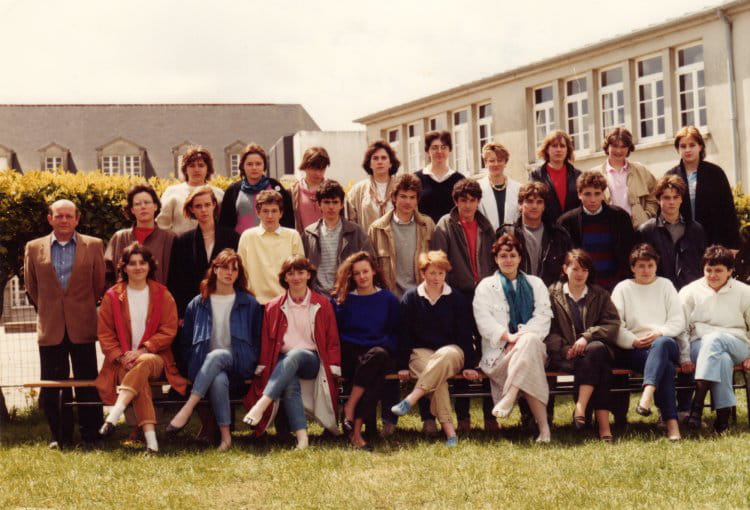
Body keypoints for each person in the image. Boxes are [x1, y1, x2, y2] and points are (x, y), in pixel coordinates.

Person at [23, 199, 106, 448]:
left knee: (87, 381)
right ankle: (60, 436)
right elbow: (32, 286)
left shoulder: (93, 245)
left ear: (77, 219)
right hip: (51, 326)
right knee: (53, 384)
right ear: (50, 219)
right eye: (59, 216)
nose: (64, 220)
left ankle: (91, 433)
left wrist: (78, 305)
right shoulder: (33, 247)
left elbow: (98, 284)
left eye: (69, 216)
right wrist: (51, 307)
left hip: (83, 323)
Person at [95, 243, 188, 453]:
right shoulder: (112, 296)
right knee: (140, 379)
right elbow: (105, 334)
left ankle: (114, 414)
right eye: (132, 263)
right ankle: (152, 442)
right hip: (122, 362)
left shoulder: (162, 294)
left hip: (155, 357)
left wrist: (143, 350)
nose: (138, 267)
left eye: (142, 263)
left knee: (143, 362)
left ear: (149, 266)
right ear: (124, 267)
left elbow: (168, 330)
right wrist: (120, 357)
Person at [166, 249, 262, 451]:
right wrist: (192, 359)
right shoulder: (197, 303)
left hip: (239, 362)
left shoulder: (249, 303)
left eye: (234, 269)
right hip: (205, 367)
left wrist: (251, 357)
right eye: (225, 268)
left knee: (218, 354)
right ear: (215, 269)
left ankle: (188, 406)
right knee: (218, 378)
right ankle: (226, 438)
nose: (230, 273)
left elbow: (257, 338)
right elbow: (186, 341)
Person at [242, 255, 341, 449]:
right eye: (291, 273)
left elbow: (332, 339)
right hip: (283, 362)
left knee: (296, 355)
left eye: (301, 273)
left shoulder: (322, 304)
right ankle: (302, 437)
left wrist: (334, 365)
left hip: (312, 360)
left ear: (308, 275)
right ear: (285, 278)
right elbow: (267, 342)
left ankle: (262, 404)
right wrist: (263, 365)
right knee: (290, 383)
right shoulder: (272, 307)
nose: (296, 277)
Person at [390, 250, 479, 447]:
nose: (436, 278)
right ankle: (450, 433)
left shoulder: (456, 298)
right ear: (423, 273)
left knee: (444, 356)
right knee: (437, 380)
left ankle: (412, 398)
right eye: (432, 273)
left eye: (440, 273)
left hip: (451, 352)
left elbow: (465, 333)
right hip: (421, 353)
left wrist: (469, 365)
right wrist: (402, 365)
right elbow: (404, 334)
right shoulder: (411, 298)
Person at [430, 178, 497, 432]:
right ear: (455, 202)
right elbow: (440, 262)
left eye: (472, 200)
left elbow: (493, 260)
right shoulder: (445, 225)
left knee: (489, 350)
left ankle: (490, 415)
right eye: (462, 200)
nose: (467, 205)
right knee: (462, 353)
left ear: (478, 201)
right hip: (457, 295)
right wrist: (449, 293)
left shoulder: (486, 226)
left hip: (485, 295)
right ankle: (463, 417)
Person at [473, 233, 553, 442]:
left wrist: (520, 338)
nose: (508, 260)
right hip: (499, 355)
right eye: (503, 256)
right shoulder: (485, 286)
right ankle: (544, 430)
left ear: (520, 258)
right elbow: (484, 321)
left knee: (529, 343)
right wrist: (508, 337)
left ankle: (510, 395)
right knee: (529, 357)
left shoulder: (536, 284)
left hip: (530, 350)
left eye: (512, 255)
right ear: (496, 259)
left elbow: (543, 316)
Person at [611, 244, 688, 440]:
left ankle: (647, 394)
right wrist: (634, 341)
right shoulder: (623, 288)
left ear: (656, 266)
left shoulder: (665, 285)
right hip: (635, 349)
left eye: (650, 265)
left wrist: (659, 332)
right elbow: (615, 324)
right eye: (641, 266)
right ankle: (672, 426)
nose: (646, 270)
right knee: (667, 368)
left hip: (665, 342)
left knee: (661, 345)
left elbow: (677, 320)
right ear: (632, 267)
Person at [546, 249, 620, 441]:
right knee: (601, 367)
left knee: (596, 350)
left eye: (585, 270)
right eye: (575, 269)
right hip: (566, 356)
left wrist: (587, 337)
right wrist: (564, 349)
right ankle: (604, 427)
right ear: (565, 269)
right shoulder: (552, 294)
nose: (580, 274)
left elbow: (612, 324)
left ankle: (581, 407)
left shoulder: (600, 294)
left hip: (594, 352)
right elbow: (547, 329)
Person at [332, 251, 400, 450]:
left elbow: (395, 333)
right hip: (351, 354)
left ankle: (350, 408)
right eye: (356, 273)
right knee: (373, 371)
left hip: (379, 352)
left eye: (365, 271)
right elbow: (336, 334)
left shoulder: (388, 299)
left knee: (377, 358)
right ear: (351, 276)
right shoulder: (342, 300)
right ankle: (357, 430)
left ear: (374, 272)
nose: (362, 277)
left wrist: (381, 345)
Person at [680, 245, 750, 434]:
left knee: (715, 340)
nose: (712, 275)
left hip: (737, 343)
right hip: (698, 345)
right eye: (708, 270)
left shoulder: (744, 292)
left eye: (718, 270)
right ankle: (722, 419)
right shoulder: (690, 291)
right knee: (722, 359)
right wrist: (684, 356)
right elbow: (681, 328)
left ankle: (697, 406)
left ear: (730, 271)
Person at [168, 186, 240, 318]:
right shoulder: (182, 241)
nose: (203, 210)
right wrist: (181, 314)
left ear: (214, 205)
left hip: (227, 307)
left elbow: (239, 275)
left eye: (207, 205)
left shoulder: (233, 238)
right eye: (198, 206)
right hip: (194, 310)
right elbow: (175, 280)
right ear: (191, 209)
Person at [558, 171, 636, 291]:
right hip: (583, 286)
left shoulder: (620, 217)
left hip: (616, 285)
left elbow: (630, 253)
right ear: (579, 194)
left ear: (603, 194)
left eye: (597, 193)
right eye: (587, 194)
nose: (593, 199)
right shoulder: (566, 222)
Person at [666, 126, 740, 249]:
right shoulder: (670, 176)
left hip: (713, 240)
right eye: (683, 146)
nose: (688, 150)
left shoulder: (716, 173)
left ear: (700, 146)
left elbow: (728, 211)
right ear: (678, 149)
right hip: (682, 243)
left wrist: (732, 246)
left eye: (692, 145)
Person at [301, 180, 375, 296]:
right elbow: (301, 267)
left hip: (347, 295)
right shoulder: (308, 234)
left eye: (335, 202)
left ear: (341, 205)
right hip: (317, 295)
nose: (331, 207)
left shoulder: (356, 232)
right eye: (326, 202)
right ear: (319, 204)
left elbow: (371, 262)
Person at [368, 173, 436, 298]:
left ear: (417, 200)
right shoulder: (377, 229)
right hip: (390, 298)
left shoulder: (428, 225)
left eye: (412, 197)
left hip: (421, 297)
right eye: (403, 196)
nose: (408, 202)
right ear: (394, 197)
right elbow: (371, 268)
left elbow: (436, 263)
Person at [638, 175, 705, 290]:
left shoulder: (695, 229)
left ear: (681, 199)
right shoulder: (646, 231)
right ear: (658, 200)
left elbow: (703, 263)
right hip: (659, 291)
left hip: (691, 291)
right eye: (666, 198)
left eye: (676, 197)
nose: (672, 202)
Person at [237, 189, 303, 305]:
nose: (270, 216)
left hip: (285, 302)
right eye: (265, 211)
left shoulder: (293, 236)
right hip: (255, 303)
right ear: (258, 213)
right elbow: (241, 272)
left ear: (281, 213)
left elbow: (299, 272)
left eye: (274, 211)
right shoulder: (247, 236)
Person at [105, 184, 176, 285]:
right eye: (137, 204)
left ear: (155, 206)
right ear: (132, 210)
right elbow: (107, 273)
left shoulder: (169, 238)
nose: (143, 207)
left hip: (159, 294)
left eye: (147, 202)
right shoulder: (119, 238)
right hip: (124, 294)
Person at [506, 181, 572, 286]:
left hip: (549, 293)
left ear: (544, 206)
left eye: (539, 202)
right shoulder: (508, 234)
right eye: (529, 201)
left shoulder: (559, 236)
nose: (534, 206)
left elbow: (568, 270)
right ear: (520, 205)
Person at [218, 143, 294, 233]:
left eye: (258, 164)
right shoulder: (233, 190)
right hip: (241, 240)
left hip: (271, 240)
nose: (254, 168)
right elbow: (225, 224)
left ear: (264, 166)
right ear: (243, 166)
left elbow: (288, 220)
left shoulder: (275, 187)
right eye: (249, 164)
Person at [592, 127, 657, 228]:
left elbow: (655, 196)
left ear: (629, 148)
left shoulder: (641, 171)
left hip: (637, 229)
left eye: (623, 146)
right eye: (614, 146)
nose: (619, 151)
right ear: (607, 147)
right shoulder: (594, 174)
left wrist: (646, 216)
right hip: (607, 229)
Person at [156, 146, 225, 235]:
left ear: (208, 169)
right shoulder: (172, 192)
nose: (196, 170)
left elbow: (224, 224)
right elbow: (162, 225)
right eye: (192, 166)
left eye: (201, 165)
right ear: (185, 169)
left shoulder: (219, 194)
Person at [345, 140, 399, 232]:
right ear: (369, 164)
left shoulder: (400, 187)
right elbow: (350, 223)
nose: (380, 162)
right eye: (375, 158)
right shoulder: (358, 190)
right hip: (368, 239)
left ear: (390, 163)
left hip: (396, 239)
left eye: (384, 158)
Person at [530, 130, 582, 225]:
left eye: (562, 146)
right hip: (548, 228)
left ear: (567, 150)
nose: (558, 150)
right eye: (554, 146)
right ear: (547, 149)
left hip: (573, 228)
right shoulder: (536, 175)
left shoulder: (578, 175)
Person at [414, 130, 466, 223]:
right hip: (424, 231)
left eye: (443, 147)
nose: (439, 151)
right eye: (434, 147)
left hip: (452, 231)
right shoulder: (416, 179)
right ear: (427, 150)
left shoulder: (460, 180)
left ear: (449, 150)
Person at [476, 142, 520, 230]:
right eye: (492, 161)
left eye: (500, 160)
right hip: (485, 237)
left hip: (511, 237)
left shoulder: (518, 188)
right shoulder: (477, 187)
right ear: (485, 162)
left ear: (505, 162)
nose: (496, 164)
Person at [291, 146, 331, 233]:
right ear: (305, 166)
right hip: (303, 239)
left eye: (322, 169)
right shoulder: (294, 191)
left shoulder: (332, 189)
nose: (318, 173)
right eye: (314, 168)